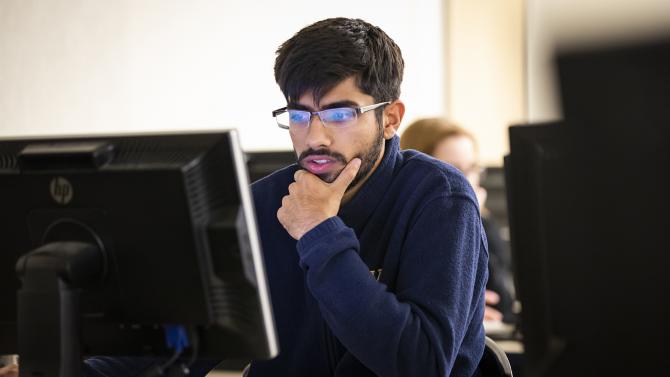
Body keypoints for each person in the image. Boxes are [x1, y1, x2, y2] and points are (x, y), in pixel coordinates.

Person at [1, 18, 488, 377]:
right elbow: (184, 344)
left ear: (390, 117)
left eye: (339, 114)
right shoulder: (262, 203)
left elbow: (419, 364)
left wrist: (320, 232)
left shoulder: (439, 200)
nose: (314, 137)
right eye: (299, 115)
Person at [400, 117, 516, 324]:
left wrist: (474, 220)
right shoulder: (408, 230)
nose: (467, 180)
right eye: (454, 170)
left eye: (472, 168)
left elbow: (503, 300)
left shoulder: (485, 222)